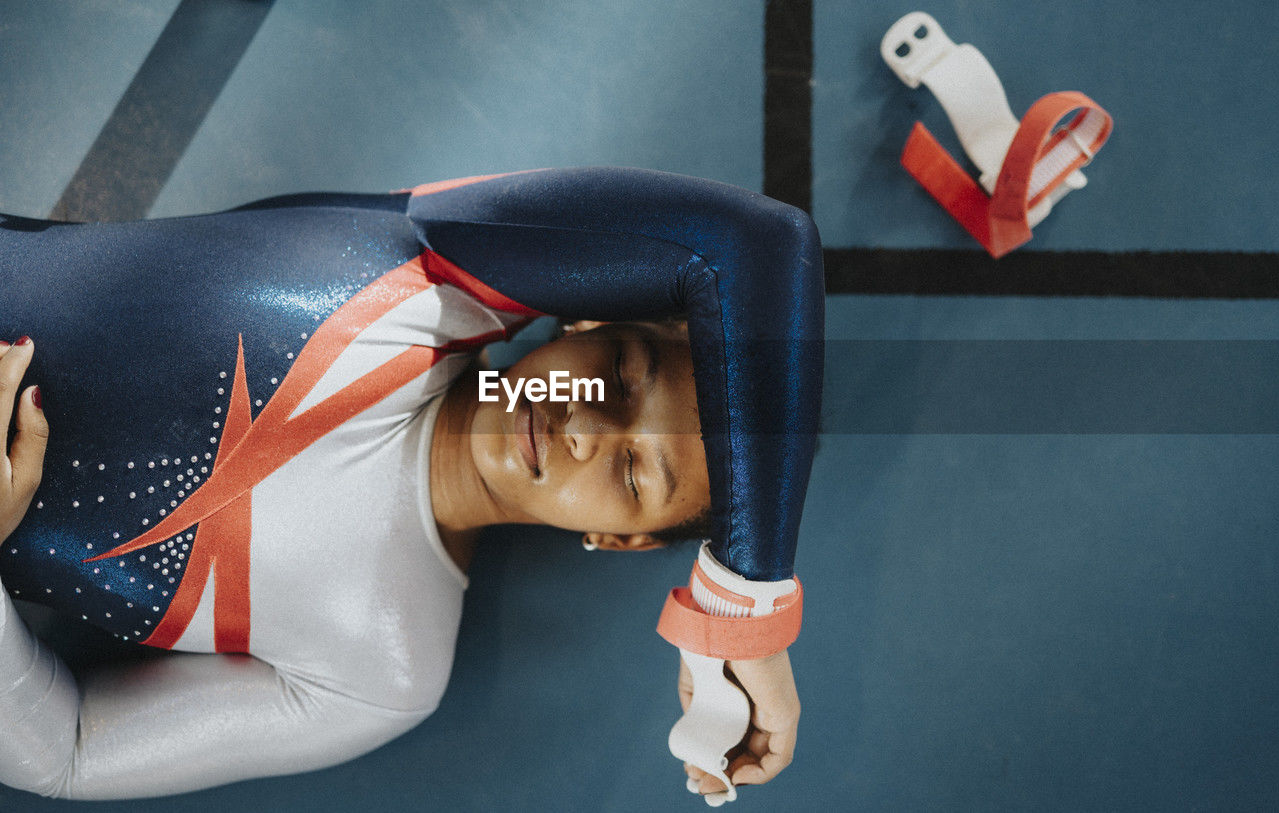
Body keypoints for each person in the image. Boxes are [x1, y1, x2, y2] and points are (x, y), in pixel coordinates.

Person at [0, 167, 823, 800]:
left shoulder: (389, 666)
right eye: (620, 372)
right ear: (585, 319)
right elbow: (749, 245)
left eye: (635, 471)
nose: (584, 424)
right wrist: (743, 606)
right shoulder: (429, 266)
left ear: (619, 538)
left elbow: (71, 749)